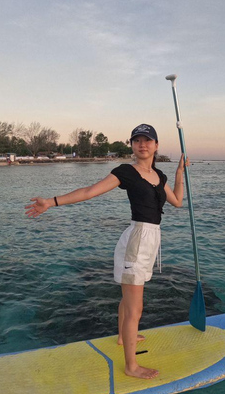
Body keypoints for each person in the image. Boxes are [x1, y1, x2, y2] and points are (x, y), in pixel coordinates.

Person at [26, 124, 189, 380]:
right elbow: (90, 191)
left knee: (129, 298)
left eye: (147, 140)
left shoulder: (159, 176)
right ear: (132, 146)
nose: (142, 144)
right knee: (136, 306)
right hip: (137, 241)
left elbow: (177, 201)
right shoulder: (126, 172)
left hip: (151, 241)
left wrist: (179, 173)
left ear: (156, 145)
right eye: (137, 141)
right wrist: (52, 201)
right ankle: (131, 366)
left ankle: (126, 337)